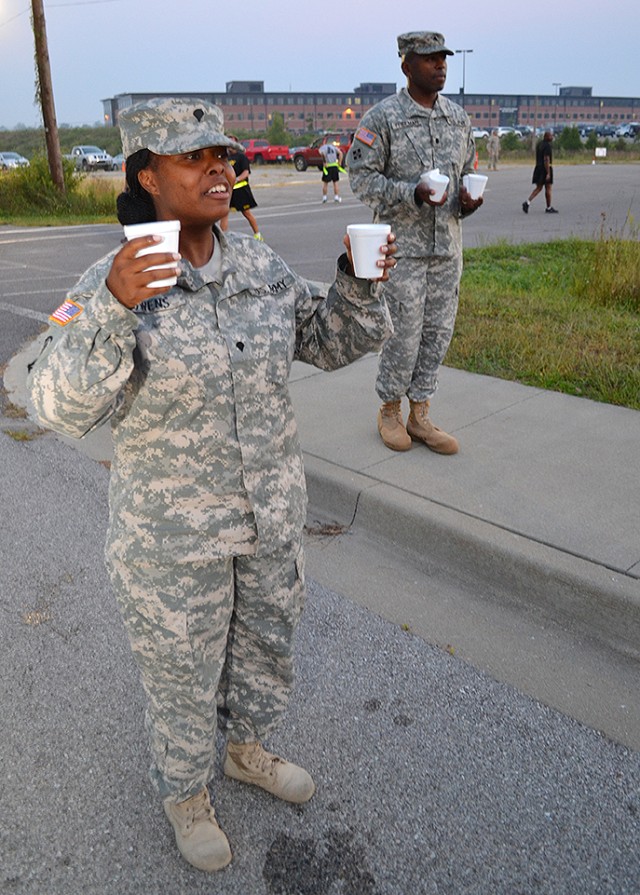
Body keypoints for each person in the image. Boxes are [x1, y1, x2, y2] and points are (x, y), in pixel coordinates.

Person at [27, 97, 395, 874]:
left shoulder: (256, 262)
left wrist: (357, 284)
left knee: (264, 650)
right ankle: (186, 790)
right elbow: (55, 405)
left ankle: (247, 750)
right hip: (171, 542)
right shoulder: (109, 282)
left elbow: (326, 341)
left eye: (222, 155)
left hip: (268, 520)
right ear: (147, 176)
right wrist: (112, 308)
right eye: (194, 157)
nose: (218, 168)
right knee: (182, 675)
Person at [347, 31, 484, 455]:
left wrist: (468, 200)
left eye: (443, 59)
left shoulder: (458, 120)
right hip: (401, 249)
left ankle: (420, 413)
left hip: (447, 249)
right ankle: (389, 409)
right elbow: (362, 180)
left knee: (437, 333)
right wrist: (412, 193)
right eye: (429, 60)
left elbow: (467, 172)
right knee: (402, 333)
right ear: (407, 66)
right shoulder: (382, 118)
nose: (440, 65)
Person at [219, 141, 264, 240]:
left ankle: (257, 234)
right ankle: (223, 237)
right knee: (224, 213)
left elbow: (246, 172)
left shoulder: (241, 157)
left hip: (240, 190)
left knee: (246, 213)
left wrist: (237, 179)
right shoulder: (225, 158)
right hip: (229, 191)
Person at [522, 130, 558, 213]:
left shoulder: (539, 144)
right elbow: (546, 159)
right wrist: (548, 172)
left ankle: (527, 202)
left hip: (538, 168)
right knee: (548, 188)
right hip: (545, 169)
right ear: (547, 137)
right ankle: (548, 207)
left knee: (538, 188)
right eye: (551, 136)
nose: (552, 137)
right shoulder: (547, 146)